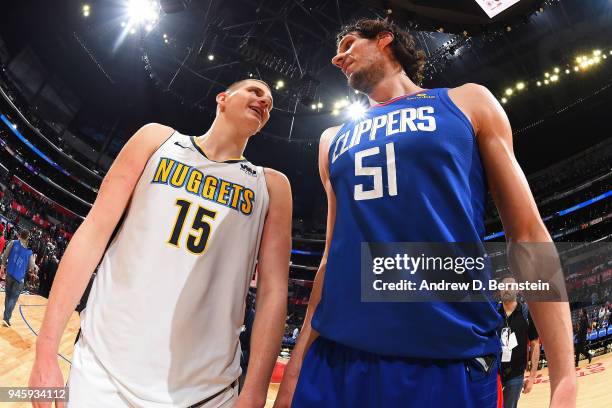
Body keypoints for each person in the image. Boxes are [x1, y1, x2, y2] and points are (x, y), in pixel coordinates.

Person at [275, 18, 575, 407]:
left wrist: (564, 376)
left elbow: (527, 234)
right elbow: (332, 258)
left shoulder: (467, 101)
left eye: (348, 44)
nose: (337, 57)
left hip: (447, 359)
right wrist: (295, 370)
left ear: (385, 39)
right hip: (337, 359)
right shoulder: (331, 139)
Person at [29, 78, 293, 408]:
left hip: (204, 391)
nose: (264, 101)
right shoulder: (156, 140)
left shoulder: (272, 186)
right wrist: (46, 348)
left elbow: (273, 291)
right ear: (222, 99)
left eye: (270, 101)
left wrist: (254, 390)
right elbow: (94, 230)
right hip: (104, 369)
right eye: (256, 91)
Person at [498, 277, 540, 408]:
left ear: (517, 290)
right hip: (495, 373)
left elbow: (535, 344)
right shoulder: (493, 313)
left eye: (510, 286)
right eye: (503, 287)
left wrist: (532, 377)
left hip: (515, 373)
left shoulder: (526, 313)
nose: (506, 290)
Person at [2, 229, 38, 326]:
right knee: (13, 298)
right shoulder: (29, 252)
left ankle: (6, 315)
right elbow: (32, 267)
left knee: (8, 296)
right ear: (27, 238)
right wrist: (34, 259)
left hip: (9, 273)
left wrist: (2, 266)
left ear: (20, 235)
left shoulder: (13, 243)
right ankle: (6, 317)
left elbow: (5, 255)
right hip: (19, 278)